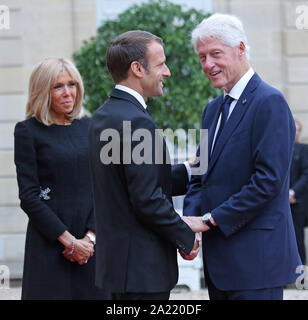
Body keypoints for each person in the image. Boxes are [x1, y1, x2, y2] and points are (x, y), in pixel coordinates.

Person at [182, 13, 301, 300]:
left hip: (256, 263)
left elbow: (268, 183)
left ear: (242, 49)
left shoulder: (269, 102)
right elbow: (201, 174)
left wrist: (209, 220)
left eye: (216, 54)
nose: (208, 64)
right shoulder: (212, 110)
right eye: (202, 57)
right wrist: (190, 224)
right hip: (220, 263)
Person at [88, 30, 201, 300]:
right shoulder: (138, 122)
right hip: (143, 272)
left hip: (119, 269)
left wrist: (188, 169)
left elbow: (130, 184)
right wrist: (185, 236)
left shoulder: (103, 116)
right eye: (161, 64)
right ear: (137, 69)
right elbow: (147, 199)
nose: (168, 72)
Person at [14, 57, 107, 300]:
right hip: (49, 246)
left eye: (72, 84)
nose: (67, 93)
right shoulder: (27, 132)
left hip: (91, 248)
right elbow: (29, 197)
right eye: (58, 86)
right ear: (43, 91)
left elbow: (104, 187)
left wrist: (88, 239)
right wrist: (69, 242)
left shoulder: (91, 127)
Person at [290, 119, 308, 265]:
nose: (295, 133)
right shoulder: (279, 148)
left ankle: (300, 279)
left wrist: (292, 192)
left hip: (298, 203)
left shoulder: (303, 149)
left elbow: (306, 174)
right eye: (293, 129)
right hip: (279, 201)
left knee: (297, 239)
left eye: (298, 130)